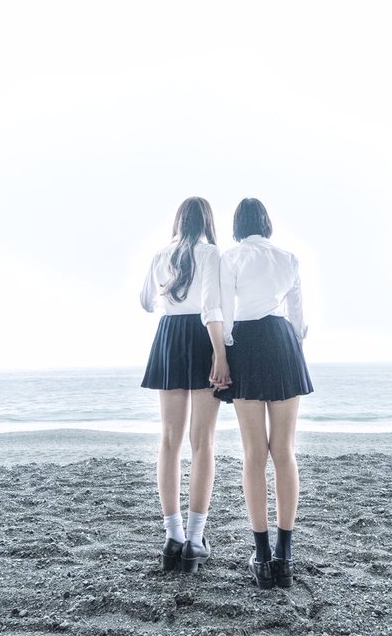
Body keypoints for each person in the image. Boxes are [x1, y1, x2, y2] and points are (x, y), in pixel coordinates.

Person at [216, 198, 312, 589]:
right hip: (283, 342)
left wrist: (225, 352)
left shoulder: (231, 257)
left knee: (254, 453)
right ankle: (284, 556)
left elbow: (224, 312)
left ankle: (261, 554)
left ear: (238, 225)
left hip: (247, 343)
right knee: (284, 451)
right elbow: (298, 319)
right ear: (266, 224)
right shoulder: (288, 258)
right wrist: (293, 347)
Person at [139, 197, 231, 573]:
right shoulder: (210, 253)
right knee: (203, 441)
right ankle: (194, 540)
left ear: (179, 221)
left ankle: (172, 537)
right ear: (207, 221)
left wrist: (168, 300)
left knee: (168, 441)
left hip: (169, 336)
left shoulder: (161, 254)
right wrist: (220, 353)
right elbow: (212, 306)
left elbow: (146, 302)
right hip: (202, 335)